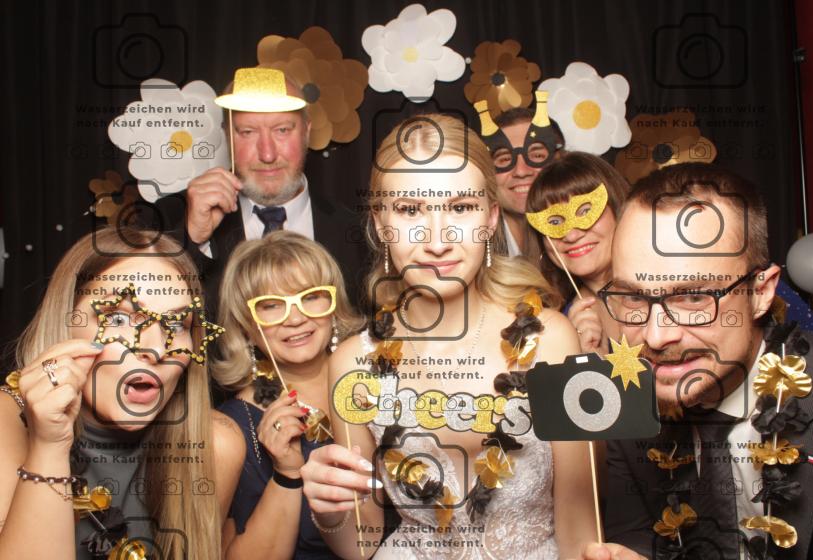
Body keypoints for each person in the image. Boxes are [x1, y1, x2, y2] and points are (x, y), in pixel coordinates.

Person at [300, 113, 598, 559]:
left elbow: (580, 525)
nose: (437, 240)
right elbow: (360, 544)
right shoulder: (350, 364)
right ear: (380, 223)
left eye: (460, 207)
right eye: (410, 210)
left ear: (491, 218)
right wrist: (329, 510)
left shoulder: (551, 340)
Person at [579, 163, 813, 560]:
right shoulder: (626, 409)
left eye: (692, 297)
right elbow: (637, 536)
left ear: (761, 292)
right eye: (633, 297)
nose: (655, 336)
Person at [0, 228, 244, 559]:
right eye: (118, 318)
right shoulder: (7, 425)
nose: (155, 350)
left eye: (175, 325)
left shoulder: (216, 446)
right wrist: (49, 445)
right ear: (65, 324)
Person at [156, 67, 366, 317]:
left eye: (282, 130)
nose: (267, 154)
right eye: (247, 132)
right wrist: (193, 240)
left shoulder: (359, 232)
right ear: (227, 135)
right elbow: (159, 314)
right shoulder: (168, 220)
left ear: (307, 132)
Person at [212, 230, 363, 559]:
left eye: (310, 296)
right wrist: (287, 473)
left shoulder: (377, 381)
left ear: (334, 304)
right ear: (246, 326)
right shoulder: (232, 429)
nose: (295, 318)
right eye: (270, 305)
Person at [525, 151, 631, 355]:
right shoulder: (551, 328)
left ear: (618, 209)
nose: (572, 235)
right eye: (554, 221)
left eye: (585, 211)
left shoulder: (667, 289)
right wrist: (584, 361)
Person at [475, 92, 565, 258]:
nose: (521, 171)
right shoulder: (473, 248)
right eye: (504, 159)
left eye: (537, 156)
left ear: (560, 161)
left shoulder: (588, 241)